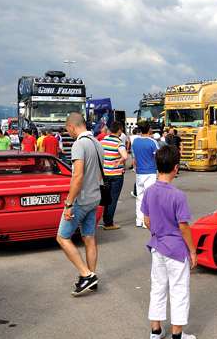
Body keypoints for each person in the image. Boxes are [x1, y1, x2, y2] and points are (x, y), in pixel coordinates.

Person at [142, 145, 197, 339]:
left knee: (157, 287)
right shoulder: (178, 195)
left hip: (157, 246)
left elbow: (146, 221)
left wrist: (158, 232)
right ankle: (177, 334)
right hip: (176, 250)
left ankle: (155, 331)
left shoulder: (149, 191)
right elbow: (183, 227)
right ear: (176, 167)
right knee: (179, 290)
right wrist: (192, 251)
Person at [56, 112, 104, 296]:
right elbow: (98, 174)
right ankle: (92, 276)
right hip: (94, 198)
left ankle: (86, 275)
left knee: (62, 237)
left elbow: (77, 176)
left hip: (81, 200)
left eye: (68, 130)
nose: (68, 134)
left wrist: (68, 204)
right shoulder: (97, 143)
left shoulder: (79, 144)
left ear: (71, 126)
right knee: (89, 238)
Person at [100, 122, 128, 230]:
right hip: (116, 175)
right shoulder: (119, 142)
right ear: (119, 130)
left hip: (105, 174)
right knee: (113, 199)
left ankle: (104, 219)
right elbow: (125, 156)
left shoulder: (103, 141)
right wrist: (120, 160)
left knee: (105, 198)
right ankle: (109, 223)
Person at [132, 122, 160, 228]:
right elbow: (158, 157)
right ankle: (146, 221)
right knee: (150, 198)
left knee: (139, 196)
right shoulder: (152, 142)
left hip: (139, 172)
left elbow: (134, 157)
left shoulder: (135, 141)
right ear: (149, 130)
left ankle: (139, 220)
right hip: (150, 172)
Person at [128, 127, 141, 198]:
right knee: (136, 157)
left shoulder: (131, 136)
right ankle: (135, 166)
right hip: (138, 146)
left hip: (133, 146)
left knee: (133, 157)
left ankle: (134, 167)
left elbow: (129, 142)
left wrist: (128, 149)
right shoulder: (139, 136)